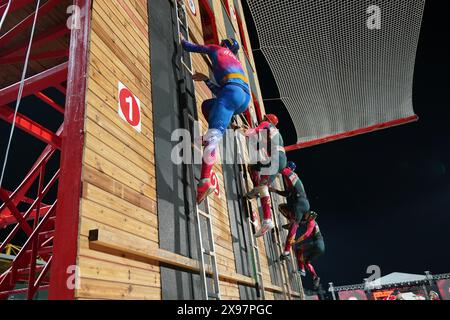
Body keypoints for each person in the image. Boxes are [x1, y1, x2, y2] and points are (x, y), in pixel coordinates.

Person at [181, 38, 251, 204]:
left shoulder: (216, 49)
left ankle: (205, 180)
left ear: (224, 44)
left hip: (231, 92)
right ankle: (211, 136)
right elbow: (223, 93)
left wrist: (182, 41)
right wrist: (206, 80)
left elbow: (188, 46)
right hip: (242, 99)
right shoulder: (238, 64)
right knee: (208, 105)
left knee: (214, 134)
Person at [244, 114, 287, 237]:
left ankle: (267, 219)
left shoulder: (267, 124)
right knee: (260, 176)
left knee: (263, 186)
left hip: (275, 159)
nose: (260, 120)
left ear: (266, 119)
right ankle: (252, 193)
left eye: (263, 118)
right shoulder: (276, 133)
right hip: (281, 160)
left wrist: (239, 130)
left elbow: (253, 132)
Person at [270, 161, 310, 259]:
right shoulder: (293, 179)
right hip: (303, 203)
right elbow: (288, 194)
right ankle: (292, 223)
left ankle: (286, 252)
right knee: (281, 207)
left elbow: (281, 168)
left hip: (300, 203)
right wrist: (275, 190)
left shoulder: (290, 173)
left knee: (294, 225)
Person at [292, 211, 325, 289]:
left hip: (317, 244)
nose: (305, 215)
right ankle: (315, 277)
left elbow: (306, 234)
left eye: (307, 215)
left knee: (299, 249)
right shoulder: (310, 222)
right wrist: (295, 222)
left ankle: (302, 269)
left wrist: (296, 241)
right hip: (321, 248)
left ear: (310, 217)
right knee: (307, 261)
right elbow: (301, 223)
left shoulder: (311, 223)